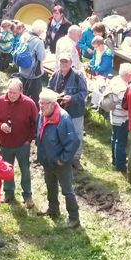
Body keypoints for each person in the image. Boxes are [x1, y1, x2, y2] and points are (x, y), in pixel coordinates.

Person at [35, 88, 80, 228]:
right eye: (39, 103)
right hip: (47, 160)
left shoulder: (63, 118)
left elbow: (73, 142)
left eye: (44, 103)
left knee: (67, 190)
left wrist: (63, 159)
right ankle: (53, 209)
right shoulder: (42, 114)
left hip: (60, 163)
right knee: (50, 185)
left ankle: (74, 218)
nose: (40, 106)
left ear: (53, 104)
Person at [0, 79, 38, 207]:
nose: (11, 95)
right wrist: (0, 125)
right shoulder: (0, 101)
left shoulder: (29, 104)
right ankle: (8, 192)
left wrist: (29, 140)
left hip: (23, 144)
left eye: (14, 93)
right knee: (6, 168)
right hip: (5, 143)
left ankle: (27, 195)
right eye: (9, 92)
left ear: (21, 92)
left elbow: (35, 123)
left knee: (25, 170)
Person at [47, 51, 88, 170]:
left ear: (71, 62)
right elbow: (49, 90)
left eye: (66, 61)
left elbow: (84, 93)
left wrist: (72, 98)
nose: (63, 63)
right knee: (60, 134)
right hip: (58, 112)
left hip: (75, 112)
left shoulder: (78, 75)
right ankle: (62, 157)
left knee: (77, 135)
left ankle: (75, 159)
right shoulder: (55, 75)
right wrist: (56, 96)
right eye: (61, 61)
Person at [109, 63, 131, 172]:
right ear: (127, 74)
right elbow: (125, 106)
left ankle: (115, 159)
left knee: (115, 138)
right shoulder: (123, 88)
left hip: (114, 115)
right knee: (121, 141)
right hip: (121, 118)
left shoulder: (115, 79)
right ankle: (120, 164)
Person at [16, 20, 48, 103]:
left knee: (22, 93)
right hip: (33, 74)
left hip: (22, 70)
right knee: (35, 97)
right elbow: (41, 57)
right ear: (40, 31)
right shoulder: (38, 41)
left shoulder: (24, 36)